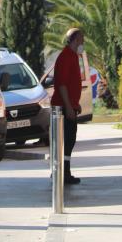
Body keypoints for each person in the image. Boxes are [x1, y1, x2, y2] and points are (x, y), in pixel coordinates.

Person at [51, 27, 85, 185]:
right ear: (75, 40)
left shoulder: (72, 56)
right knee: (65, 141)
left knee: (68, 141)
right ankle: (62, 172)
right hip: (63, 108)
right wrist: (69, 107)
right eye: (82, 39)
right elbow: (62, 85)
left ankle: (64, 171)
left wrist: (75, 105)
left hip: (69, 106)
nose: (83, 43)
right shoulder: (66, 57)